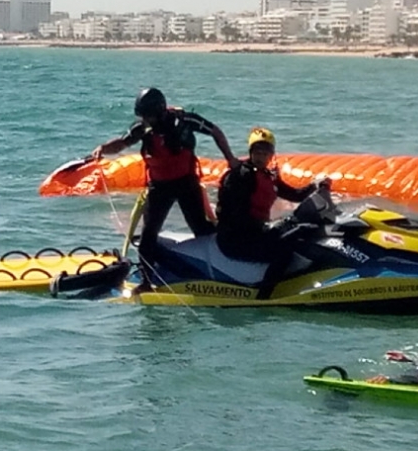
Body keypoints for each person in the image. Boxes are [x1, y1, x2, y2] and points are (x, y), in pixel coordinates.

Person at [91, 87, 237, 273]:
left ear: (160, 111)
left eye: (148, 116)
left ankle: (224, 267)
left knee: (201, 229)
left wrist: (230, 158)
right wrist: (103, 149)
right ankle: (146, 279)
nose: (145, 120)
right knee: (147, 238)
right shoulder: (143, 128)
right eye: (143, 116)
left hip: (187, 184)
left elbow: (215, 131)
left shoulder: (184, 120)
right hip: (159, 188)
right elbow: (122, 143)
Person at [215, 126, 324, 299]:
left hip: (254, 233)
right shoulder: (241, 176)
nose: (261, 157)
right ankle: (264, 296)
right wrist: (269, 229)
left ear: (271, 155)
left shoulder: (269, 176)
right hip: (235, 238)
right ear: (251, 153)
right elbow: (231, 212)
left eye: (265, 154)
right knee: (283, 253)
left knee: (298, 235)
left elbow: (295, 195)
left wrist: (316, 186)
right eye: (257, 153)